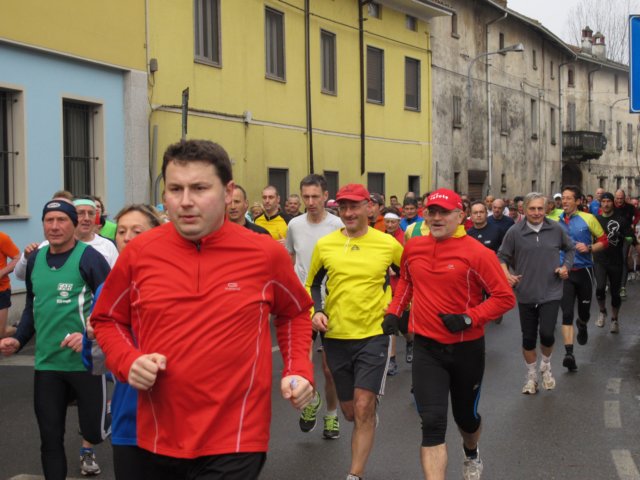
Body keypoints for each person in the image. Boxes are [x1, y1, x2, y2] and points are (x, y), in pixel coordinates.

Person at [91, 139, 315, 480]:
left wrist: (297, 367)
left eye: (199, 188)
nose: (185, 201)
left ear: (228, 192)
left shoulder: (264, 253)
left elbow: (295, 312)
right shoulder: (139, 253)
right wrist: (128, 361)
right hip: (155, 435)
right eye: (175, 189)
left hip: (236, 438)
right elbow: (107, 318)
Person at [385, 188, 515, 480]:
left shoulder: (478, 254)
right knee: (432, 423)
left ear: (460, 216)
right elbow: (406, 281)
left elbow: (504, 298)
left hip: (466, 349)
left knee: (466, 419)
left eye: (444, 212)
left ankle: (471, 451)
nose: (437, 217)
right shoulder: (414, 247)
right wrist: (394, 311)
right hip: (427, 348)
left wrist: (470, 318)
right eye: (432, 211)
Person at [0, 199, 111, 479]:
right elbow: (32, 306)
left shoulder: (90, 259)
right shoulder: (35, 259)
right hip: (47, 364)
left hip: (85, 363)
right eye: (49, 220)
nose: (54, 226)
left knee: (94, 432)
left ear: (74, 224)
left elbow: (111, 306)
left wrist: (89, 336)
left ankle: (113, 414)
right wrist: (19, 339)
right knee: (50, 439)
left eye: (61, 220)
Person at [306, 183, 402, 480]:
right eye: (343, 207)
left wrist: (397, 309)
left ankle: (354, 474)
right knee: (350, 412)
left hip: (374, 334)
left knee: (362, 406)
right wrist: (316, 311)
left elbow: (409, 277)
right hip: (336, 336)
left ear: (368, 208)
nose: (348, 213)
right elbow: (312, 284)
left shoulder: (387, 244)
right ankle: (367, 413)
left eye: (354, 206)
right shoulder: (326, 245)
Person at [84, 204, 164, 480]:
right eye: (121, 231)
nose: (127, 237)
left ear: (157, 235)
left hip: (175, 419)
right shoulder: (106, 289)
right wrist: (91, 338)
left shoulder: (179, 283)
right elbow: (97, 365)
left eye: (137, 231)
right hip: (128, 421)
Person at [498, 193, 575, 395]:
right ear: (524, 209)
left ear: (546, 209)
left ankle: (546, 366)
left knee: (547, 334)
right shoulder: (515, 231)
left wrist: (565, 267)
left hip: (551, 290)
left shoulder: (556, 229)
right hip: (526, 292)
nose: (536, 212)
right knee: (528, 339)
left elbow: (570, 249)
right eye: (532, 208)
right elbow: (501, 256)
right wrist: (507, 275)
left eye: (540, 208)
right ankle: (531, 376)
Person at [285, 174, 344, 439]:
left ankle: (331, 415)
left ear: (325, 196)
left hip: (331, 304)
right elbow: (291, 260)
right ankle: (312, 401)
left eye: (315, 196)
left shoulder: (338, 225)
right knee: (301, 366)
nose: (310, 202)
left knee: (329, 370)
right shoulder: (295, 225)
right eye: (305, 196)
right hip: (302, 305)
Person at [558, 185, 608, 372]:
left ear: (578, 201)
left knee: (584, 312)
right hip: (565, 272)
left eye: (569, 198)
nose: (564, 201)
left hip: (584, 271)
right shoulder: (554, 219)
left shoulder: (588, 218)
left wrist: (589, 248)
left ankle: (583, 323)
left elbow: (604, 240)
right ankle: (569, 354)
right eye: (563, 198)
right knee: (567, 313)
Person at [594, 192, 635, 333]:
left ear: (613, 203)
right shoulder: (596, 219)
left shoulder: (621, 220)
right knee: (600, 288)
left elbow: (631, 238)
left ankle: (614, 319)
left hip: (616, 261)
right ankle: (602, 311)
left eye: (608, 201)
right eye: (603, 201)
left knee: (615, 293)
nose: (606, 204)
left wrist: (623, 237)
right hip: (600, 260)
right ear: (600, 203)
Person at [73, 197, 119, 267]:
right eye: (81, 213)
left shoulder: (108, 246)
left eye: (91, 213)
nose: (87, 218)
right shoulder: (61, 245)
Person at [613, 189, 636, 299]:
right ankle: (611, 283)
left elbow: (637, 216)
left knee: (623, 259)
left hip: (626, 237)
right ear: (614, 198)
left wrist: (633, 225)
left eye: (621, 198)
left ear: (624, 198)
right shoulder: (611, 206)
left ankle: (622, 287)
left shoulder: (630, 208)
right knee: (612, 260)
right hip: (613, 237)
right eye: (617, 198)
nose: (619, 200)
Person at [0, 231, 19, 338]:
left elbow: (18, 258)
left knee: (1, 333)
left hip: (1, 290)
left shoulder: (2, 237)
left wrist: (1, 273)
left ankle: (21, 329)